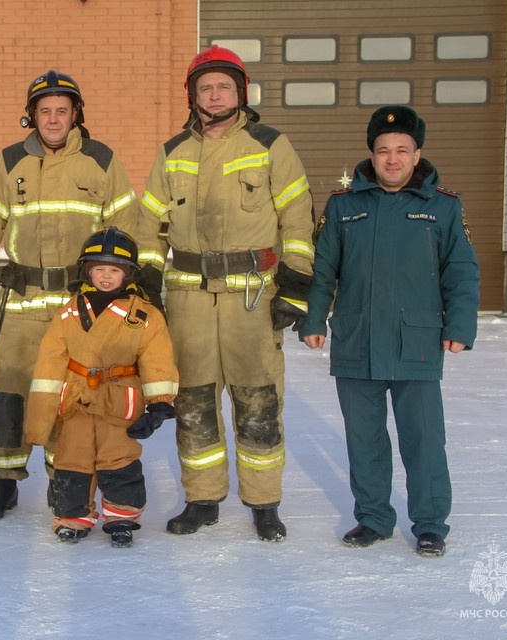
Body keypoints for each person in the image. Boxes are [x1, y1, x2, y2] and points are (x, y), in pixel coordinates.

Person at [136, 45, 315, 541]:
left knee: (258, 402)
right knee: (193, 402)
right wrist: (147, 279)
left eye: (224, 87)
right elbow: (149, 224)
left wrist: (296, 283)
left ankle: (264, 503)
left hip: (251, 299)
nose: (214, 95)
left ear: (241, 93)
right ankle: (202, 499)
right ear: (192, 96)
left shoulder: (270, 145)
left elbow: (298, 217)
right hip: (188, 300)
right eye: (205, 87)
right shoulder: (173, 152)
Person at [299, 105, 480, 558]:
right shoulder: (344, 206)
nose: (392, 159)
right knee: (365, 440)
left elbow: (461, 272)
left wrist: (460, 325)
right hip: (356, 340)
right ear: (372, 155)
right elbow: (323, 270)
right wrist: (314, 319)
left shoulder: (443, 206)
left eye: (402, 150)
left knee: (423, 439)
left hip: (416, 341)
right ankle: (374, 518)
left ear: (417, 155)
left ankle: (431, 524)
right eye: (383, 150)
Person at [0, 70, 140, 522]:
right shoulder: (11, 162)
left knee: (69, 398)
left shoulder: (101, 161)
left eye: (62, 111)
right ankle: (3, 485)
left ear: (75, 114)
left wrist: (123, 285)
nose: (53, 119)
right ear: (32, 116)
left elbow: (125, 224)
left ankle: (63, 482)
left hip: (78, 304)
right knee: (9, 395)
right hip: (22, 301)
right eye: (44, 111)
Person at [24, 228, 179, 547]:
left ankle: (122, 518)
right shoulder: (68, 312)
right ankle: (72, 518)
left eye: (114, 270)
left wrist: (160, 403)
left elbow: (157, 359)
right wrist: (40, 416)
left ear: (128, 274)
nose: (106, 276)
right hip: (76, 399)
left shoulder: (145, 315)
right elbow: (49, 365)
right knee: (72, 459)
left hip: (120, 401)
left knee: (119, 459)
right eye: (99, 269)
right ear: (87, 271)